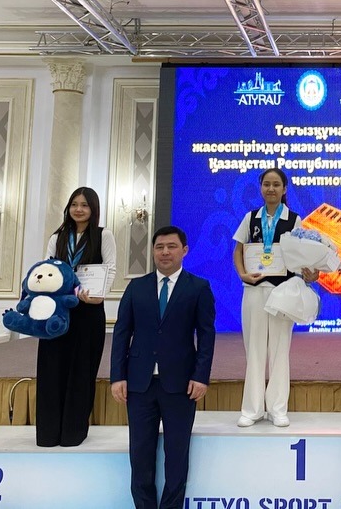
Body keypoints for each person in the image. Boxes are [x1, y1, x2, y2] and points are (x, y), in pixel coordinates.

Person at [110, 225, 216, 509]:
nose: (165, 252)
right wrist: (118, 376)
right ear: (153, 251)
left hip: (180, 385)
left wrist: (201, 376)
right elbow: (122, 333)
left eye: (171, 246)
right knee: (140, 455)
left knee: (177, 456)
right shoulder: (137, 287)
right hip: (139, 384)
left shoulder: (198, 288)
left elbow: (207, 335)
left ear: (184, 250)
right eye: (159, 247)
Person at [232, 168, 317, 428]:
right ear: (260, 188)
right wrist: (243, 274)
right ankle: (252, 409)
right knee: (254, 350)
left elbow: (302, 255)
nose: (271, 189)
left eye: (276, 184)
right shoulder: (251, 218)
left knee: (280, 351)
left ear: (284, 189)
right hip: (254, 291)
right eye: (266, 184)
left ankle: (278, 409)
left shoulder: (294, 220)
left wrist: (311, 272)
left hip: (283, 292)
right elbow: (238, 250)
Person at [37, 186, 116, 447]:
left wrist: (99, 295)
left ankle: (73, 433)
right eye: (74, 204)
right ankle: (48, 434)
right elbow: (46, 270)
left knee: (81, 372)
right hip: (56, 313)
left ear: (93, 209)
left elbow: (110, 268)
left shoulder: (104, 235)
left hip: (88, 312)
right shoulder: (57, 237)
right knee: (51, 371)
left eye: (84, 205)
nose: (78, 209)